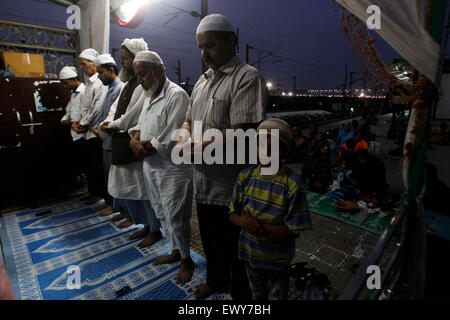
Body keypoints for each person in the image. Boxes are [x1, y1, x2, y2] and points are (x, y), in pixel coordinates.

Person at [178, 13, 268, 300]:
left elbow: (241, 133)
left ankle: (242, 298)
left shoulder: (246, 78)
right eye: (201, 48)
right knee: (211, 242)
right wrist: (183, 138)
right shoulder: (202, 83)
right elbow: (188, 121)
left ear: (232, 41)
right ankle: (216, 281)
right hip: (204, 183)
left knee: (236, 250)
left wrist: (194, 148)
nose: (205, 53)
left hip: (232, 189)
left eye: (211, 45)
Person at [129, 51, 194, 284]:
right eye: (137, 75)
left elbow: (168, 139)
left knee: (177, 216)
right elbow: (139, 127)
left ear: (158, 71)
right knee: (162, 212)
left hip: (172, 170)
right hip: (152, 168)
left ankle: (187, 260)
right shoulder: (148, 95)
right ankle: (176, 251)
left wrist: (140, 145)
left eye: (142, 74)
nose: (140, 80)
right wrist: (134, 141)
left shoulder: (177, 96)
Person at [229, 118, 312, 300]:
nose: (265, 151)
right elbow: (232, 214)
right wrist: (242, 221)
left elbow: (294, 230)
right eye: (260, 144)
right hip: (250, 255)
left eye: (272, 146)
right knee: (257, 295)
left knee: (277, 296)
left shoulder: (292, 184)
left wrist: (258, 227)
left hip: (277, 261)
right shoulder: (245, 176)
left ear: (284, 150)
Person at [99, 38, 162, 247]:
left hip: (135, 142)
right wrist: (108, 122)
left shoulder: (144, 85)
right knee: (132, 192)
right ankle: (145, 225)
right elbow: (115, 109)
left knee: (144, 192)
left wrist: (113, 125)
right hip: (122, 140)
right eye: (123, 59)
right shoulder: (128, 84)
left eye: (127, 59)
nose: (124, 63)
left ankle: (154, 229)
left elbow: (133, 115)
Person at [88, 54, 125, 216]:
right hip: (105, 140)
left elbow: (118, 117)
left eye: (101, 72)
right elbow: (106, 114)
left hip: (115, 140)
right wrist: (98, 127)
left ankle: (119, 208)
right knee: (108, 176)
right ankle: (111, 203)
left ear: (111, 70)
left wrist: (102, 129)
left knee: (117, 179)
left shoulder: (120, 88)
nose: (99, 76)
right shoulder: (109, 89)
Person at [72, 48, 108, 207]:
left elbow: (97, 108)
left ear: (93, 64)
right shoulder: (88, 84)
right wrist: (79, 122)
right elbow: (84, 107)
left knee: (98, 167)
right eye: (80, 65)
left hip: (94, 131)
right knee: (90, 167)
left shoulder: (100, 82)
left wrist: (83, 124)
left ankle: (102, 196)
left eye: (84, 64)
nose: (82, 67)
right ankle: (94, 193)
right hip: (87, 131)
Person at [59, 66, 86, 180]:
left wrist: (73, 121)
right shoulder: (74, 94)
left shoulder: (84, 92)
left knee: (90, 165)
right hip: (75, 133)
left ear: (74, 79)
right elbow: (68, 112)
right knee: (82, 165)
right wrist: (67, 121)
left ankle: (95, 195)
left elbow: (87, 113)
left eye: (66, 83)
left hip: (84, 134)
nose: (65, 86)